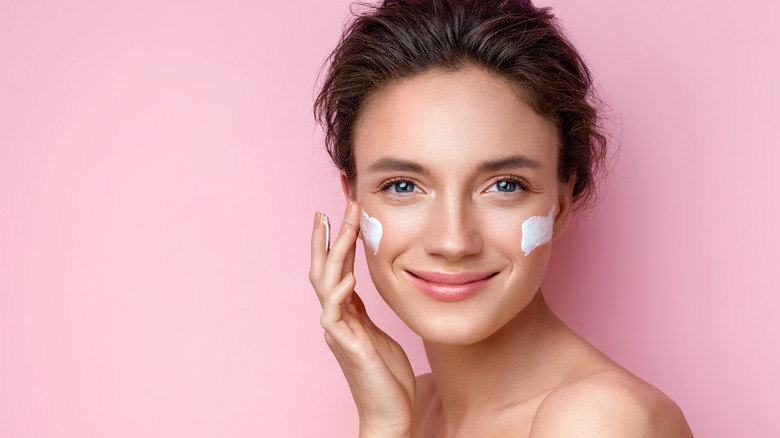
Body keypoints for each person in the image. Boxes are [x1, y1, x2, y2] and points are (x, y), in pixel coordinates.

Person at [309, 0, 693, 436]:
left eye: (505, 185)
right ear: (352, 200)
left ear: (562, 203)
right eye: (403, 186)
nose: (453, 241)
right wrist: (382, 424)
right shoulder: (406, 407)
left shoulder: (598, 420)